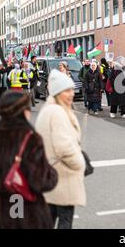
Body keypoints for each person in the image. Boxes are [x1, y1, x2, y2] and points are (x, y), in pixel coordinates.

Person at [0, 91, 58, 229]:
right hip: (28, 215)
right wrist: (52, 173)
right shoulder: (31, 138)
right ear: (23, 111)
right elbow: (41, 181)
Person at [35, 70, 87, 229]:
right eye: (67, 90)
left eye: (72, 89)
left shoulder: (50, 109)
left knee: (49, 218)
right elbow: (63, 147)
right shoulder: (57, 112)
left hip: (51, 174)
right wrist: (79, 163)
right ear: (57, 92)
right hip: (63, 176)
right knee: (65, 220)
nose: (72, 93)